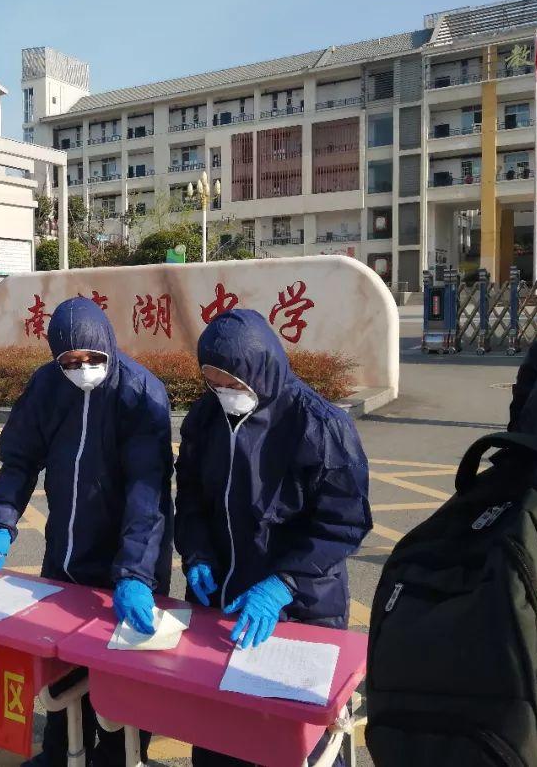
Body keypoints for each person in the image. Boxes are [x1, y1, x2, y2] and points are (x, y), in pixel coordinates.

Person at [0, 296, 174, 767]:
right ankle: (59, 753)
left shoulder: (140, 393)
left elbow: (148, 493)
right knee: (61, 665)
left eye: (91, 359)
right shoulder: (47, 387)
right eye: (69, 361)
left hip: (129, 562)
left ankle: (119, 758)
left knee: (121, 677)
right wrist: (2, 521)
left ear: (108, 345)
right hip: (65, 554)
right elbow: (21, 459)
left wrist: (134, 573)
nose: (81, 368)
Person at [174, 309, 371, 767]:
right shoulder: (206, 417)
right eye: (213, 382)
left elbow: (343, 524)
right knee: (221, 729)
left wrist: (283, 583)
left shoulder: (318, 425)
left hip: (301, 607)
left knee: (299, 739)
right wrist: (197, 552)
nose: (224, 393)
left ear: (260, 369)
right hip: (223, 605)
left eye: (233, 383)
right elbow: (191, 496)